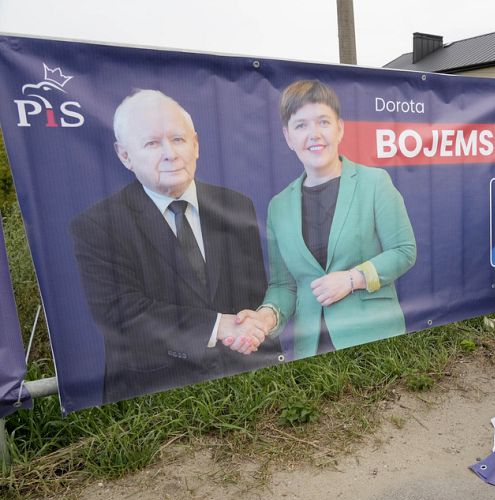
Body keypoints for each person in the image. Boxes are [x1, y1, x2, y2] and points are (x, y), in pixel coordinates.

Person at [70, 89, 280, 404]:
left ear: (195, 145)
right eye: (152, 143)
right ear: (124, 155)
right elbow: (121, 313)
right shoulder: (97, 225)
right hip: (155, 399)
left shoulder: (236, 205)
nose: (170, 153)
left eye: (179, 139)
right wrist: (217, 326)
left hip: (246, 387)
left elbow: (254, 289)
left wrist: (256, 331)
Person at [251, 80, 416, 359]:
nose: (314, 134)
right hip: (311, 351)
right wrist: (266, 317)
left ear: (339, 128)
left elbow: (404, 251)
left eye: (323, 122)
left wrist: (353, 279)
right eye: (301, 125)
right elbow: (284, 285)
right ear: (288, 137)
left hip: (374, 343)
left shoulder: (374, 182)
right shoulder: (278, 206)